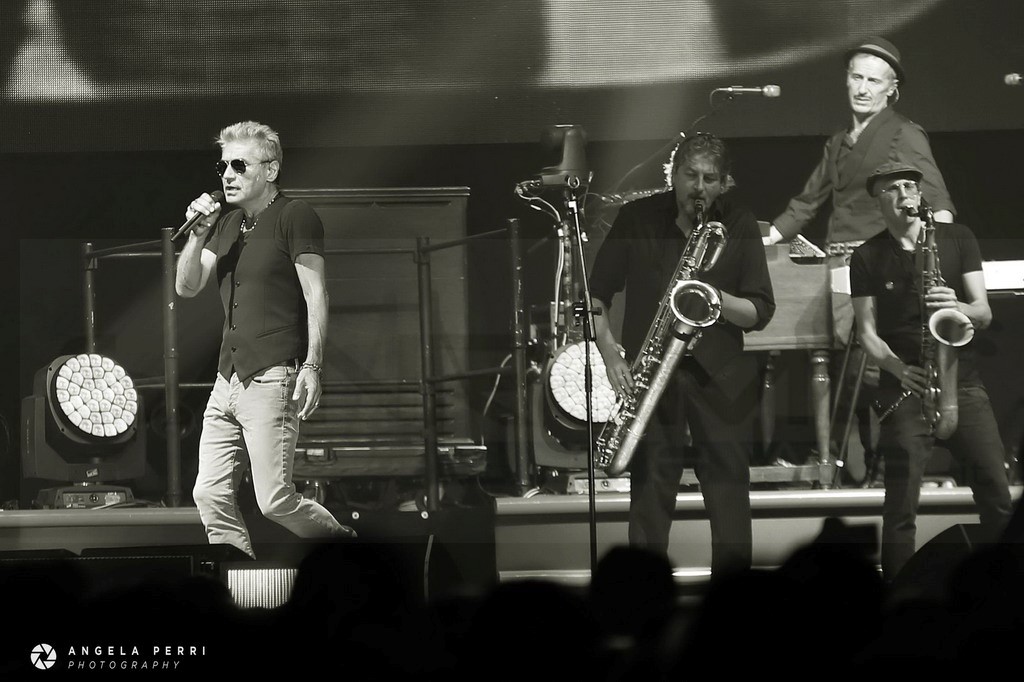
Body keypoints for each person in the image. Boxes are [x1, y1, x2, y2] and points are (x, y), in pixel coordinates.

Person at [765, 36, 956, 483]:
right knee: (846, 371)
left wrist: (936, 260)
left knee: (871, 369)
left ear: (892, 89)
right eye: (856, 77)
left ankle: (883, 465)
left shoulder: (903, 133)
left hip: (882, 266)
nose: (863, 88)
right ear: (846, 81)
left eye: (874, 80)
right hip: (837, 270)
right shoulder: (837, 143)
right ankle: (849, 465)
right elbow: (806, 204)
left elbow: (938, 202)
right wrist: (765, 239)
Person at [590, 133, 776, 578]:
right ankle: (643, 593)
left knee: (728, 490)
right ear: (673, 176)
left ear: (724, 183)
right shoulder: (637, 218)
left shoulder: (739, 222)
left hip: (721, 373)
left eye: (710, 179)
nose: (699, 188)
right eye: (690, 176)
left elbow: (759, 311)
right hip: (653, 371)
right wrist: (610, 355)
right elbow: (595, 296)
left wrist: (713, 297)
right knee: (651, 490)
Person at [175, 120, 356, 559]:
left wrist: (312, 365)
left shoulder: (295, 215)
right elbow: (187, 285)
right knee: (209, 493)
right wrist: (198, 234)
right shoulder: (228, 224)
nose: (228, 175)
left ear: (271, 170)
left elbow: (316, 294)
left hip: (272, 375)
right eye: (223, 166)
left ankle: (349, 553)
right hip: (227, 379)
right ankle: (230, 576)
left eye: (240, 165)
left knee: (274, 499)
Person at [849, 160, 1012, 582]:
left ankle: (1008, 586)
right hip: (908, 386)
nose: (904, 194)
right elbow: (866, 334)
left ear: (920, 195)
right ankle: (896, 596)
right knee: (900, 506)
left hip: (962, 383)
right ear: (879, 199)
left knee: (996, 492)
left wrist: (956, 305)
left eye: (910, 186)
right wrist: (898, 369)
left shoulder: (957, 238)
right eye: (893, 188)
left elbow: (983, 313)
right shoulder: (866, 256)